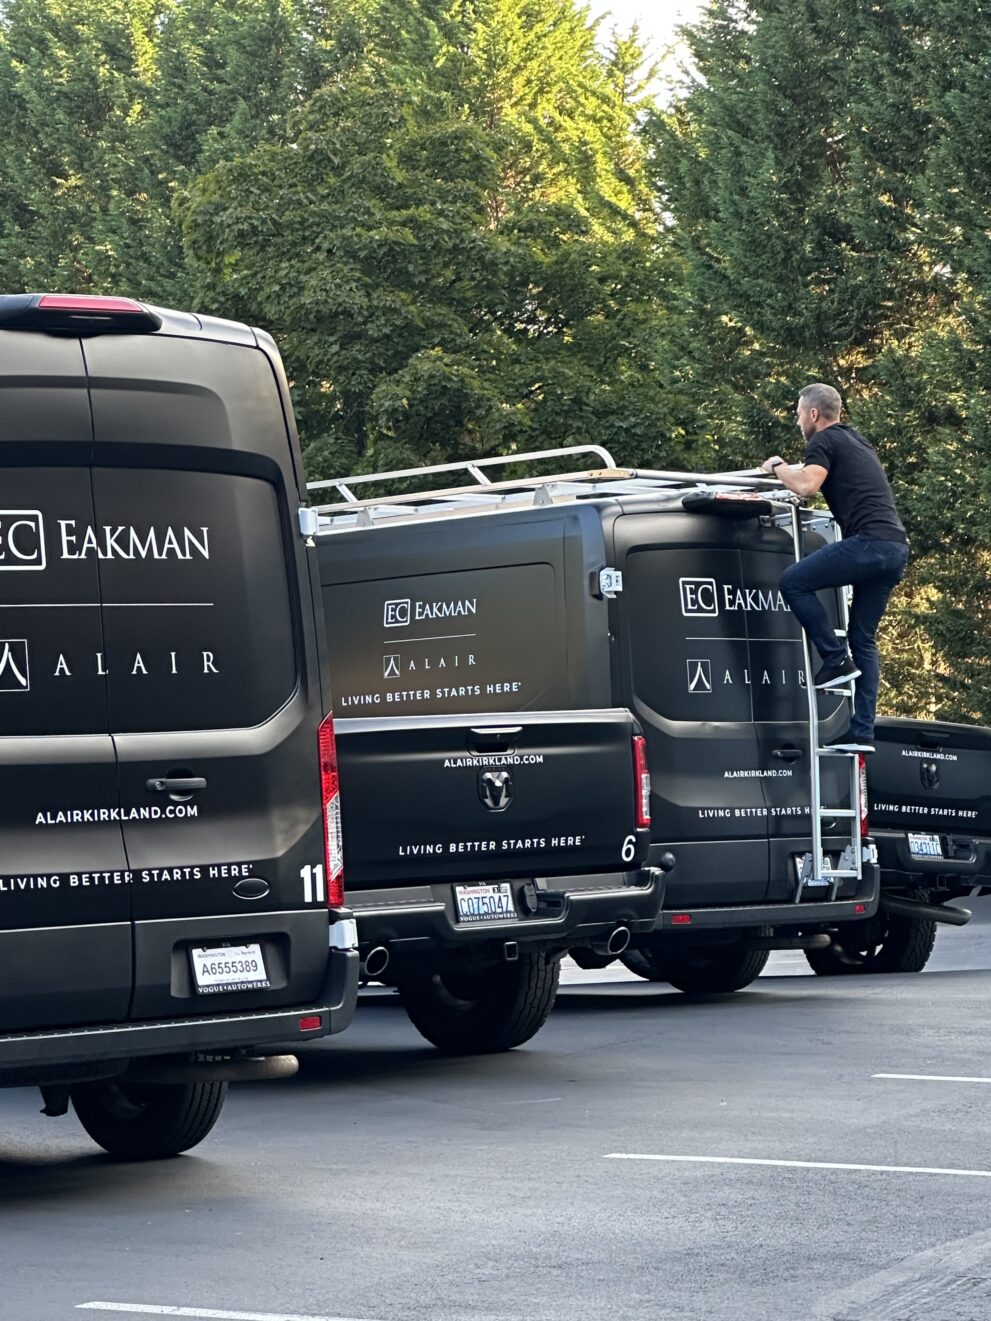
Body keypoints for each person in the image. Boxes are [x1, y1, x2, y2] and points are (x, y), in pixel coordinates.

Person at [761, 383, 909, 754]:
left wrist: (777, 466)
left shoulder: (823, 441)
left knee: (793, 581)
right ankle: (862, 732)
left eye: (798, 414)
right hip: (895, 547)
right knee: (863, 637)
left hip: (869, 543)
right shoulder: (857, 442)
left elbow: (808, 486)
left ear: (813, 414)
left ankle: (833, 658)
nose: (797, 422)